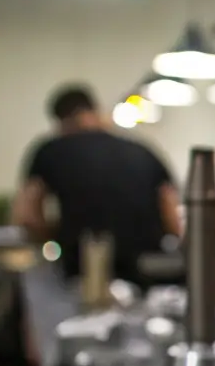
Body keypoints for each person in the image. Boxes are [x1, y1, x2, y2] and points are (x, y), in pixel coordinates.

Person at [11, 85, 181, 285]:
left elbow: (27, 217)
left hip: (83, 277)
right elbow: (174, 220)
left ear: (61, 122)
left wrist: (57, 237)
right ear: (95, 110)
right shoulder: (143, 150)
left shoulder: (50, 150)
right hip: (150, 274)